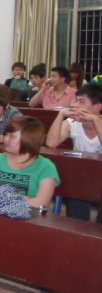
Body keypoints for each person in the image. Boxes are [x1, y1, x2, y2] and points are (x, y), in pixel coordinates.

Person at [46, 83, 102, 221]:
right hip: (82, 177)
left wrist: (96, 119)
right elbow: (51, 143)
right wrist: (60, 115)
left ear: (97, 107)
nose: (75, 105)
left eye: (81, 101)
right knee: (75, 189)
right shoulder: (73, 123)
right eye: (75, 100)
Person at [0, 116, 60, 208]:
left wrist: (4, 197)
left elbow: (41, 203)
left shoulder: (46, 166)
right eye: (6, 134)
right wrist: (22, 198)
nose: (5, 139)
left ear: (28, 139)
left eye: (12, 136)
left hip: (29, 213)